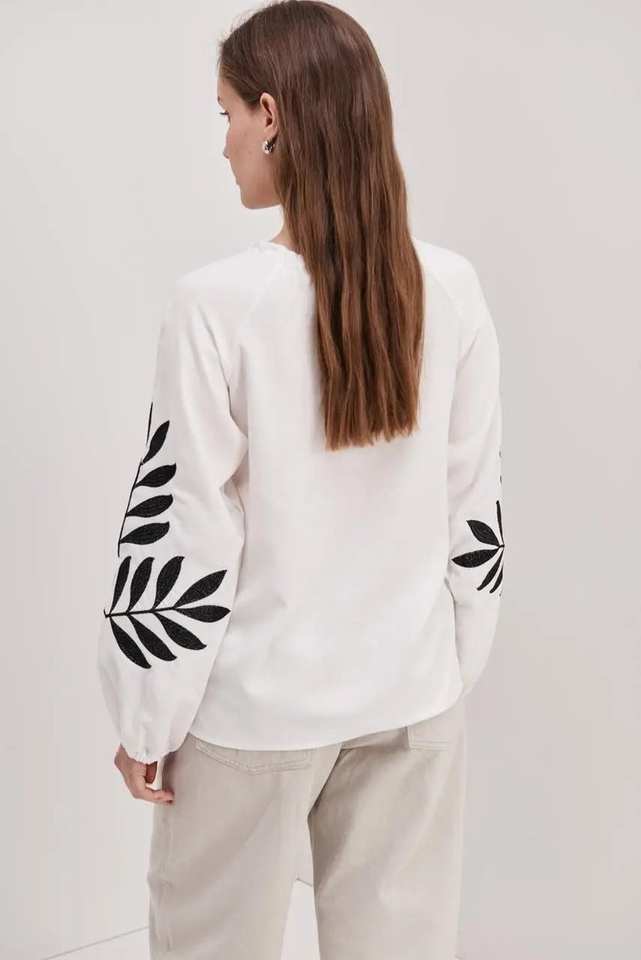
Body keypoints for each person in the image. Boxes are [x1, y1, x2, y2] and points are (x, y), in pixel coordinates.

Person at [96, 1, 505, 957]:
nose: (224, 143)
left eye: (227, 114)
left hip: (255, 718)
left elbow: (182, 529)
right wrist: (441, 669)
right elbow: (474, 510)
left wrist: (147, 717)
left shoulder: (217, 305)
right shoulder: (448, 288)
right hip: (410, 704)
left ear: (272, 115)